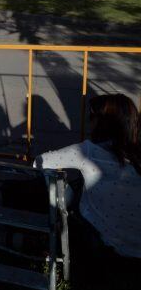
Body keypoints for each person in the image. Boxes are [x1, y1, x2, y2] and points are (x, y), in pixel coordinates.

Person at [36, 94, 141, 258]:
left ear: (103, 122)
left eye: (91, 117)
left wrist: (66, 196)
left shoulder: (89, 152)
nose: (88, 122)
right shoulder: (136, 157)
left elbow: (40, 162)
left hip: (103, 242)